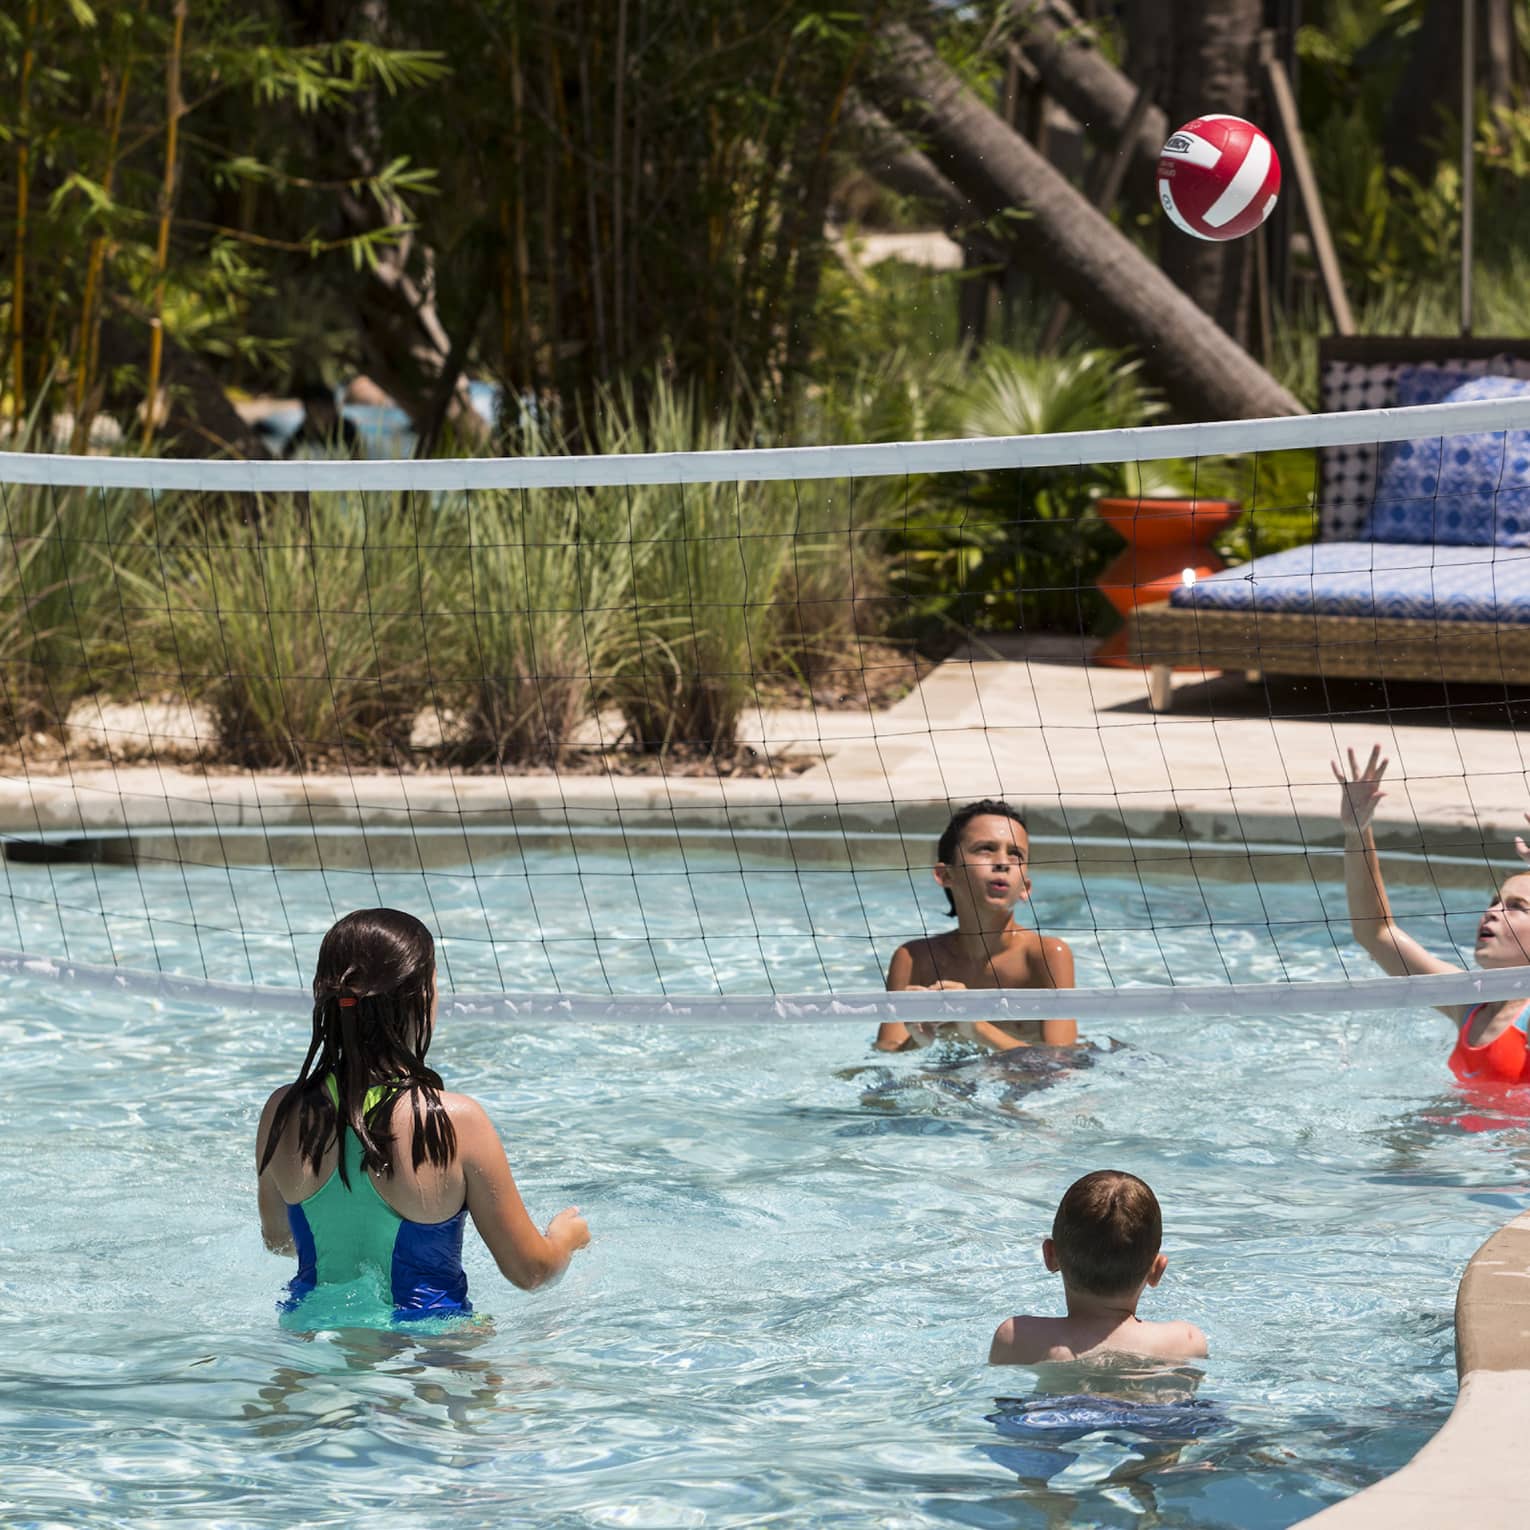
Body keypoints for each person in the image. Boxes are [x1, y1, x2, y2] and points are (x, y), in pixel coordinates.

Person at [256, 908, 589, 1321]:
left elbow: (279, 1241)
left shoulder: (283, 1112)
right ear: (421, 998)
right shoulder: (454, 1122)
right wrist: (564, 1238)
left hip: (308, 1339)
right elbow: (531, 1272)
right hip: (431, 1357)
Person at [1334, 744, 1530, 1085]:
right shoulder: (1470, 1006)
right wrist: (1357, 833)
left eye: (1516, 907)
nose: (1492, 913)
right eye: (1494, 902)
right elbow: (1377, 934)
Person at [876, 799, 1076, 1052]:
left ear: (1025, 887)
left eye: (1015, 854)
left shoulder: (1046, 956)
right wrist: (917, 1039)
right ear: (945, 875)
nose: (1003, 862)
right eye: (986, 849)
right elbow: (886, 1056)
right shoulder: (915, 959)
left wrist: (974, 1026)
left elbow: (1061, 1064)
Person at [989, 1170, 1208, 1365]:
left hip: (1056, 1411)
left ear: (1050, 1255)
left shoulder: (1017, 1337)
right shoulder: (1185, 1342)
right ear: (1157, 1269)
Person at [282, 381, 362, 458]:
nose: (313, 418)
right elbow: (285, 456)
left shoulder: (346, 429)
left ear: (332, 409)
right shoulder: (305, 430)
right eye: (308, 413)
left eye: (318, 411)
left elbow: (357, 459)